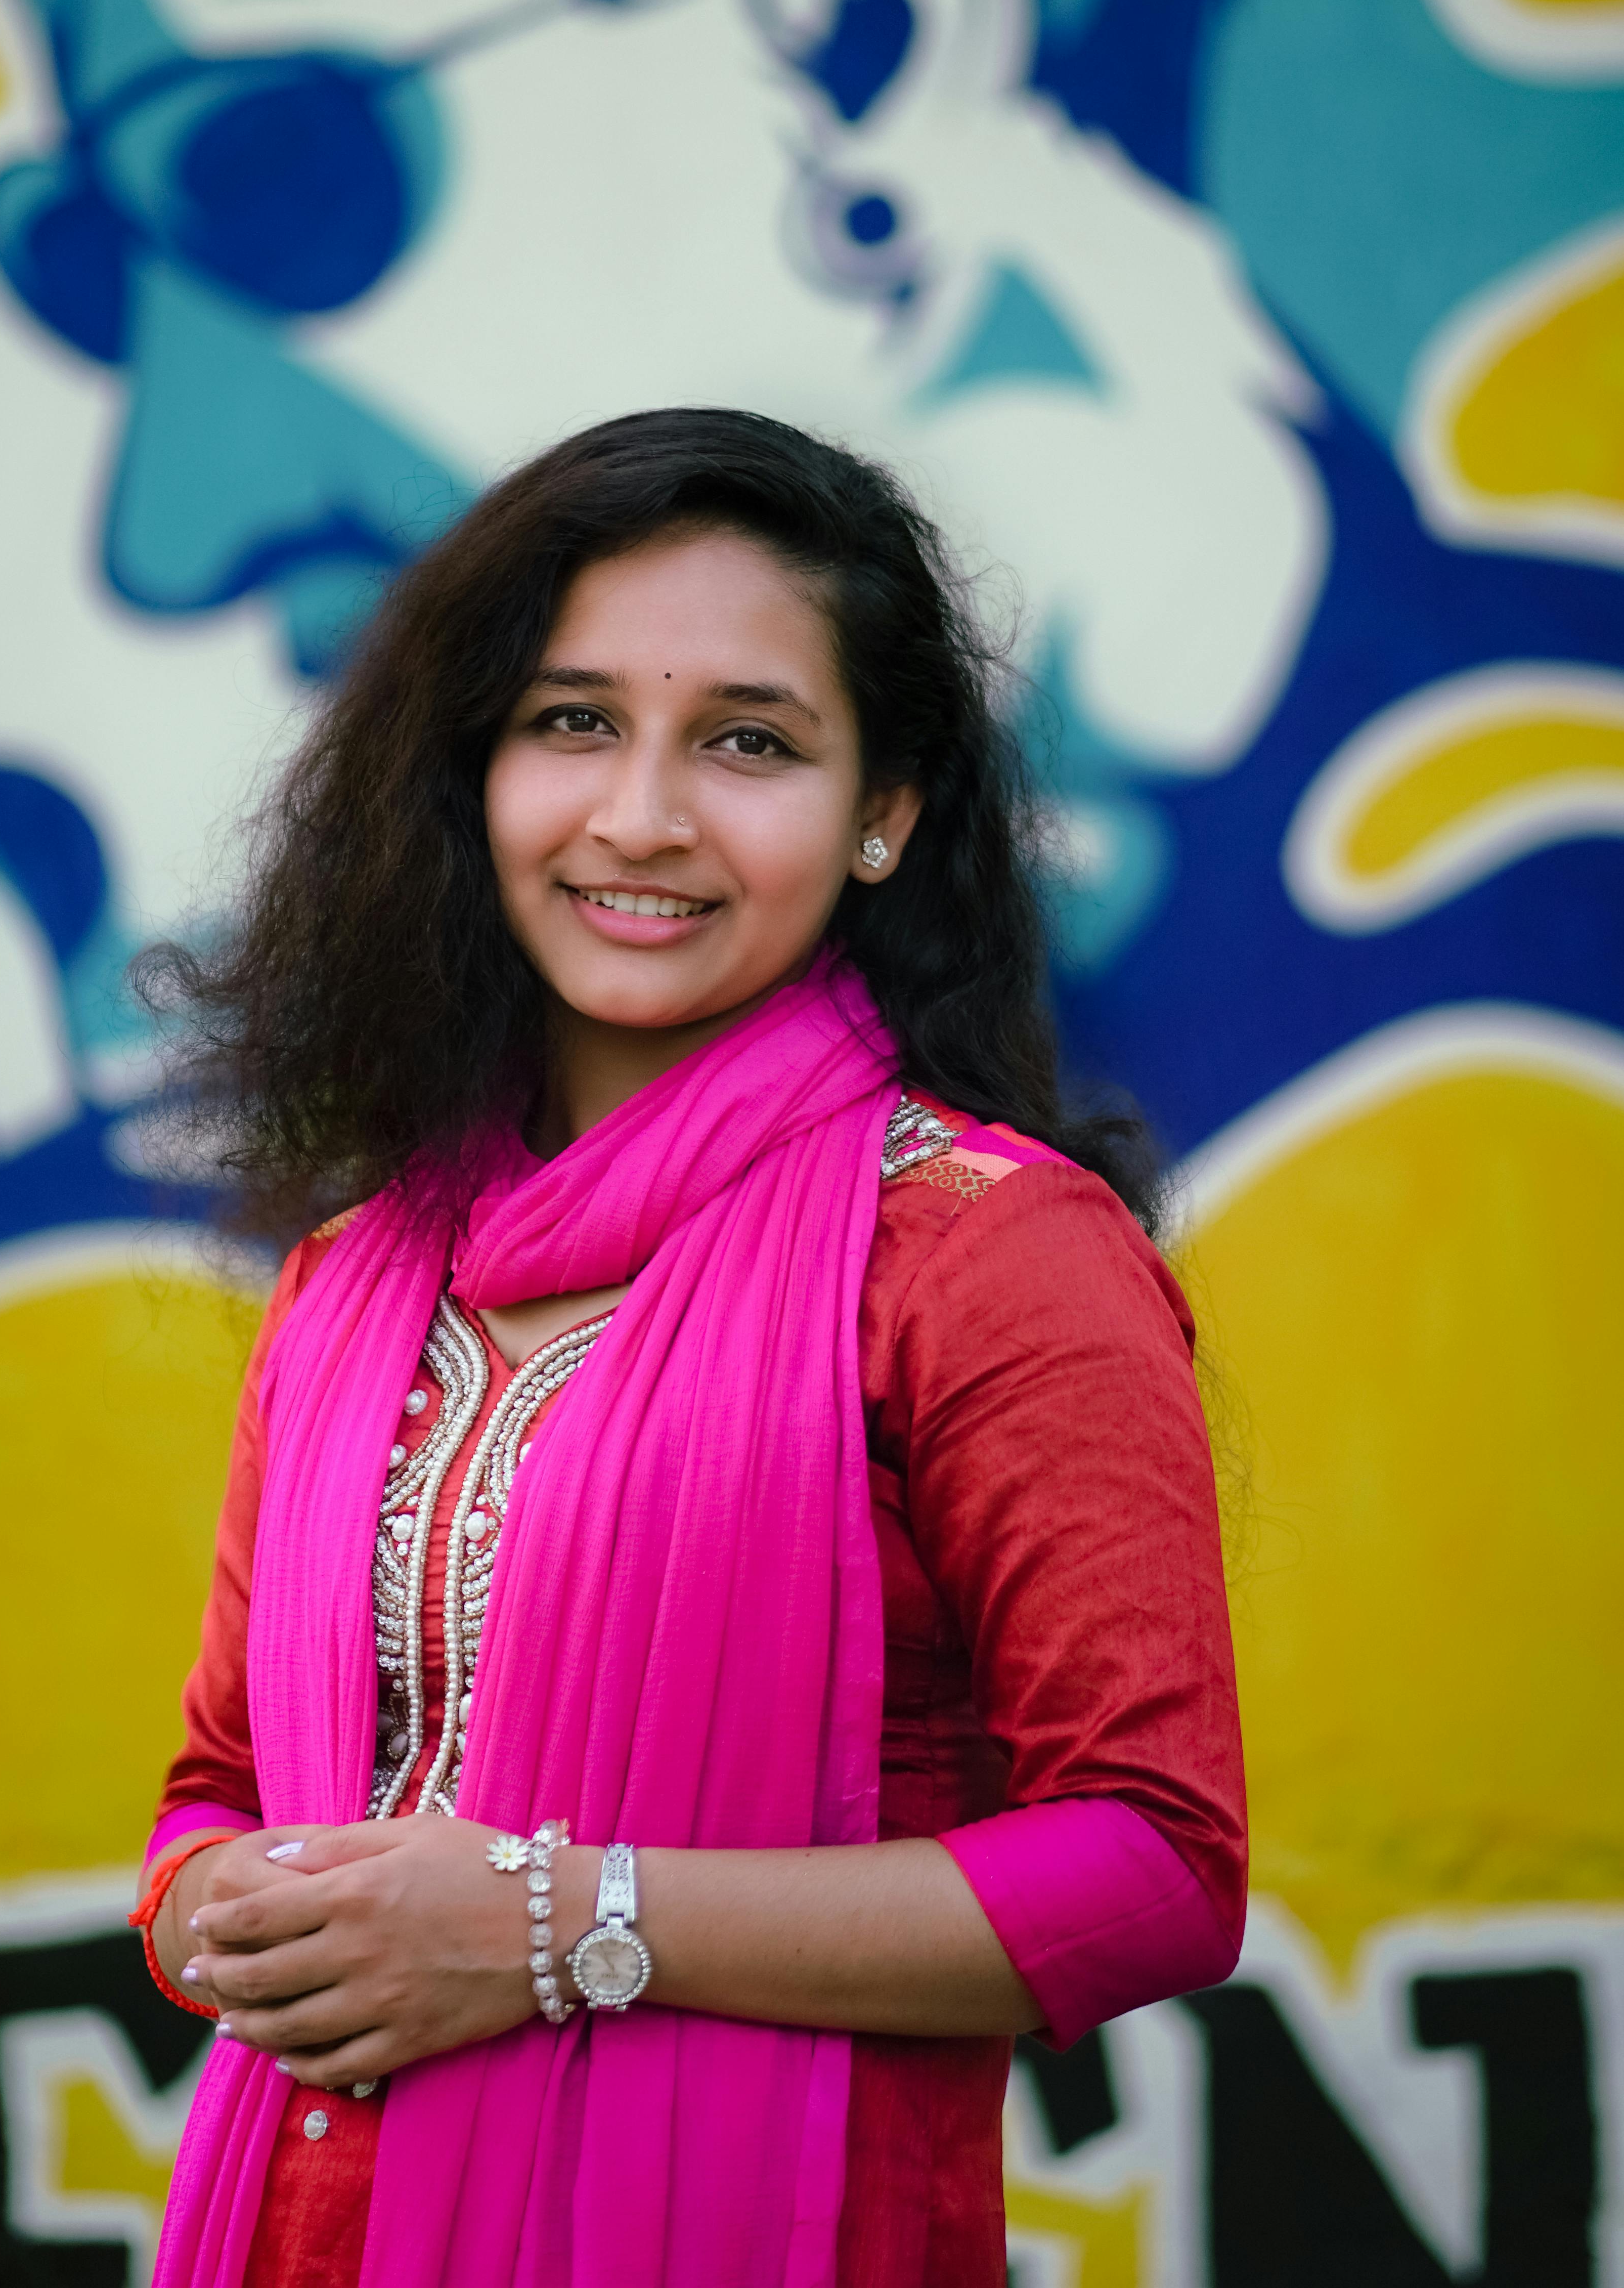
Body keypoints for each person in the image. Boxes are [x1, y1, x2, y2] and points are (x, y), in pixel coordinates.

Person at [130, 408, 1243, 2288]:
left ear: (885, 812)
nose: (641, 815)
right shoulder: (359, 1277)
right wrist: (219, 1912)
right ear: (472, 772)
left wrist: (565, 1924)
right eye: (573, 721)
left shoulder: (980, 1254)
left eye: (749, 741)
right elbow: (214, 1791)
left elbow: (1152, 1869)